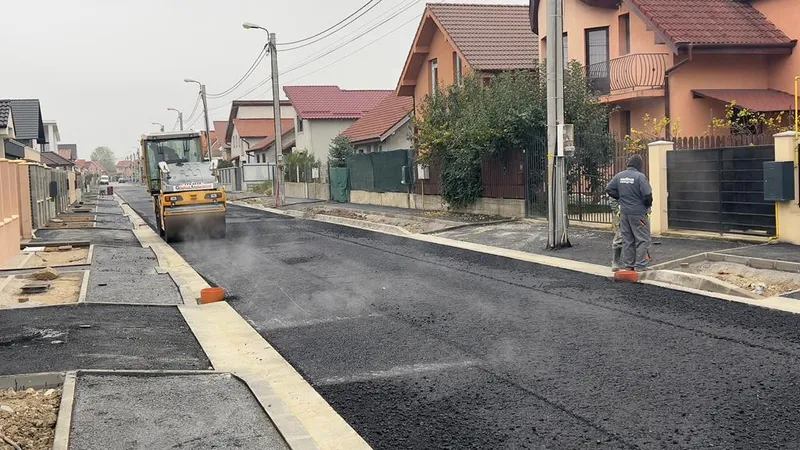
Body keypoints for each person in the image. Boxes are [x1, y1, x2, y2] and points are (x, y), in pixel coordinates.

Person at [606, 154, 653, 271]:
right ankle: (641, 266)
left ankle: (629, 265)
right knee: (643, 239)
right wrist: (646, 205)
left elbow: (609, 189)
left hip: (624, 213)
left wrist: (621, 197)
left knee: (628, 240)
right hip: (638, 213)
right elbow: (648, 196)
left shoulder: (619, 176)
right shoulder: (640, 177)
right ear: (639, 165)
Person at [609, 195, 623, 272]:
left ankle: (634, 263)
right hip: (620, 212)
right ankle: (615, 262)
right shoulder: (616, 183)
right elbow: (612, 194)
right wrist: (617, 210)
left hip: (633, 211)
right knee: (619, 237)